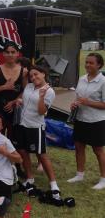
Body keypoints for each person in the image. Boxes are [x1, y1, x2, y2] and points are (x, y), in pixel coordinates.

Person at [16, 66, 61, 197]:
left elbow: (42, 112)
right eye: (31, 76)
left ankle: (53, 183)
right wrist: (20, 101)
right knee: (23, 152)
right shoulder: (29, 86)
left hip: (35, 127)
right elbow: (25, 100)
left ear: (43, 73)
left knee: (41, 154)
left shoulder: (49, 91)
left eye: (36, 74)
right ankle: (30, 178)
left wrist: (41, 97)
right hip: (22, 124)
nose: (34, 77)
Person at [67, 53, 105, 189]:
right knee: (79, 147)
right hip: (80, 119)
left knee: (98, 150)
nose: (88, 65)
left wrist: (87, 102)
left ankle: (103, 179)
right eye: (87, 62)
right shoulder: (82, 79)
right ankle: (79, 174)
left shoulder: (103, 81)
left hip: (96, 121)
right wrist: (74, 103)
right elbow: (78, 97)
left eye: (91, 63)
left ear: (99, 65)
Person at [0, 42, 28, 138]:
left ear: (17, 53)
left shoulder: (24, 71)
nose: (10, 55)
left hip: (15, 110)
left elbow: (26, 91)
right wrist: (4, 87)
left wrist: (14, 101)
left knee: (14, 139)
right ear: (3, 54)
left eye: (13, 52)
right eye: (7, 52)